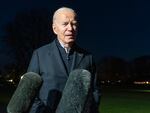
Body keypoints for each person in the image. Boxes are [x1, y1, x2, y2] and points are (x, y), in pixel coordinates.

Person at [27, 7, 100, 113]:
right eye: (65, 24)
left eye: (74, 24)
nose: (70, 28)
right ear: (54, 28)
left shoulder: (88, 57)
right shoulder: (39, 54)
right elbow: (30, 93)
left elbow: (95, 91)